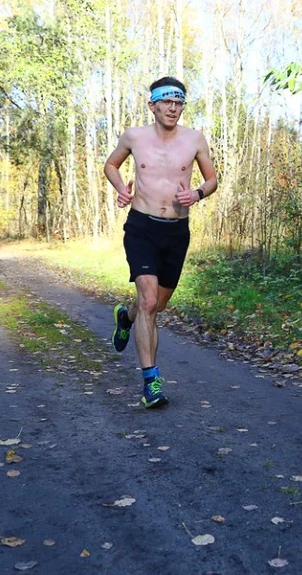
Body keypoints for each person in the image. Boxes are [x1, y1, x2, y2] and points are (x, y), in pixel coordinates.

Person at [104, 77, 218, 408]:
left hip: (176, 232)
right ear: (152, 105)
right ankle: (151, 381)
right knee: (150, 301)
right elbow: (111, 165)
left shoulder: (194, 139)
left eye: (178, 103)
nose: (173, 108)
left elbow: (211, 179)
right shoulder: (134, 137)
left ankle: (126, 318)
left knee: (156, 306)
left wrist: (197, 193)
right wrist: (121, 189)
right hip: (141, 227)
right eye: (167, 102)